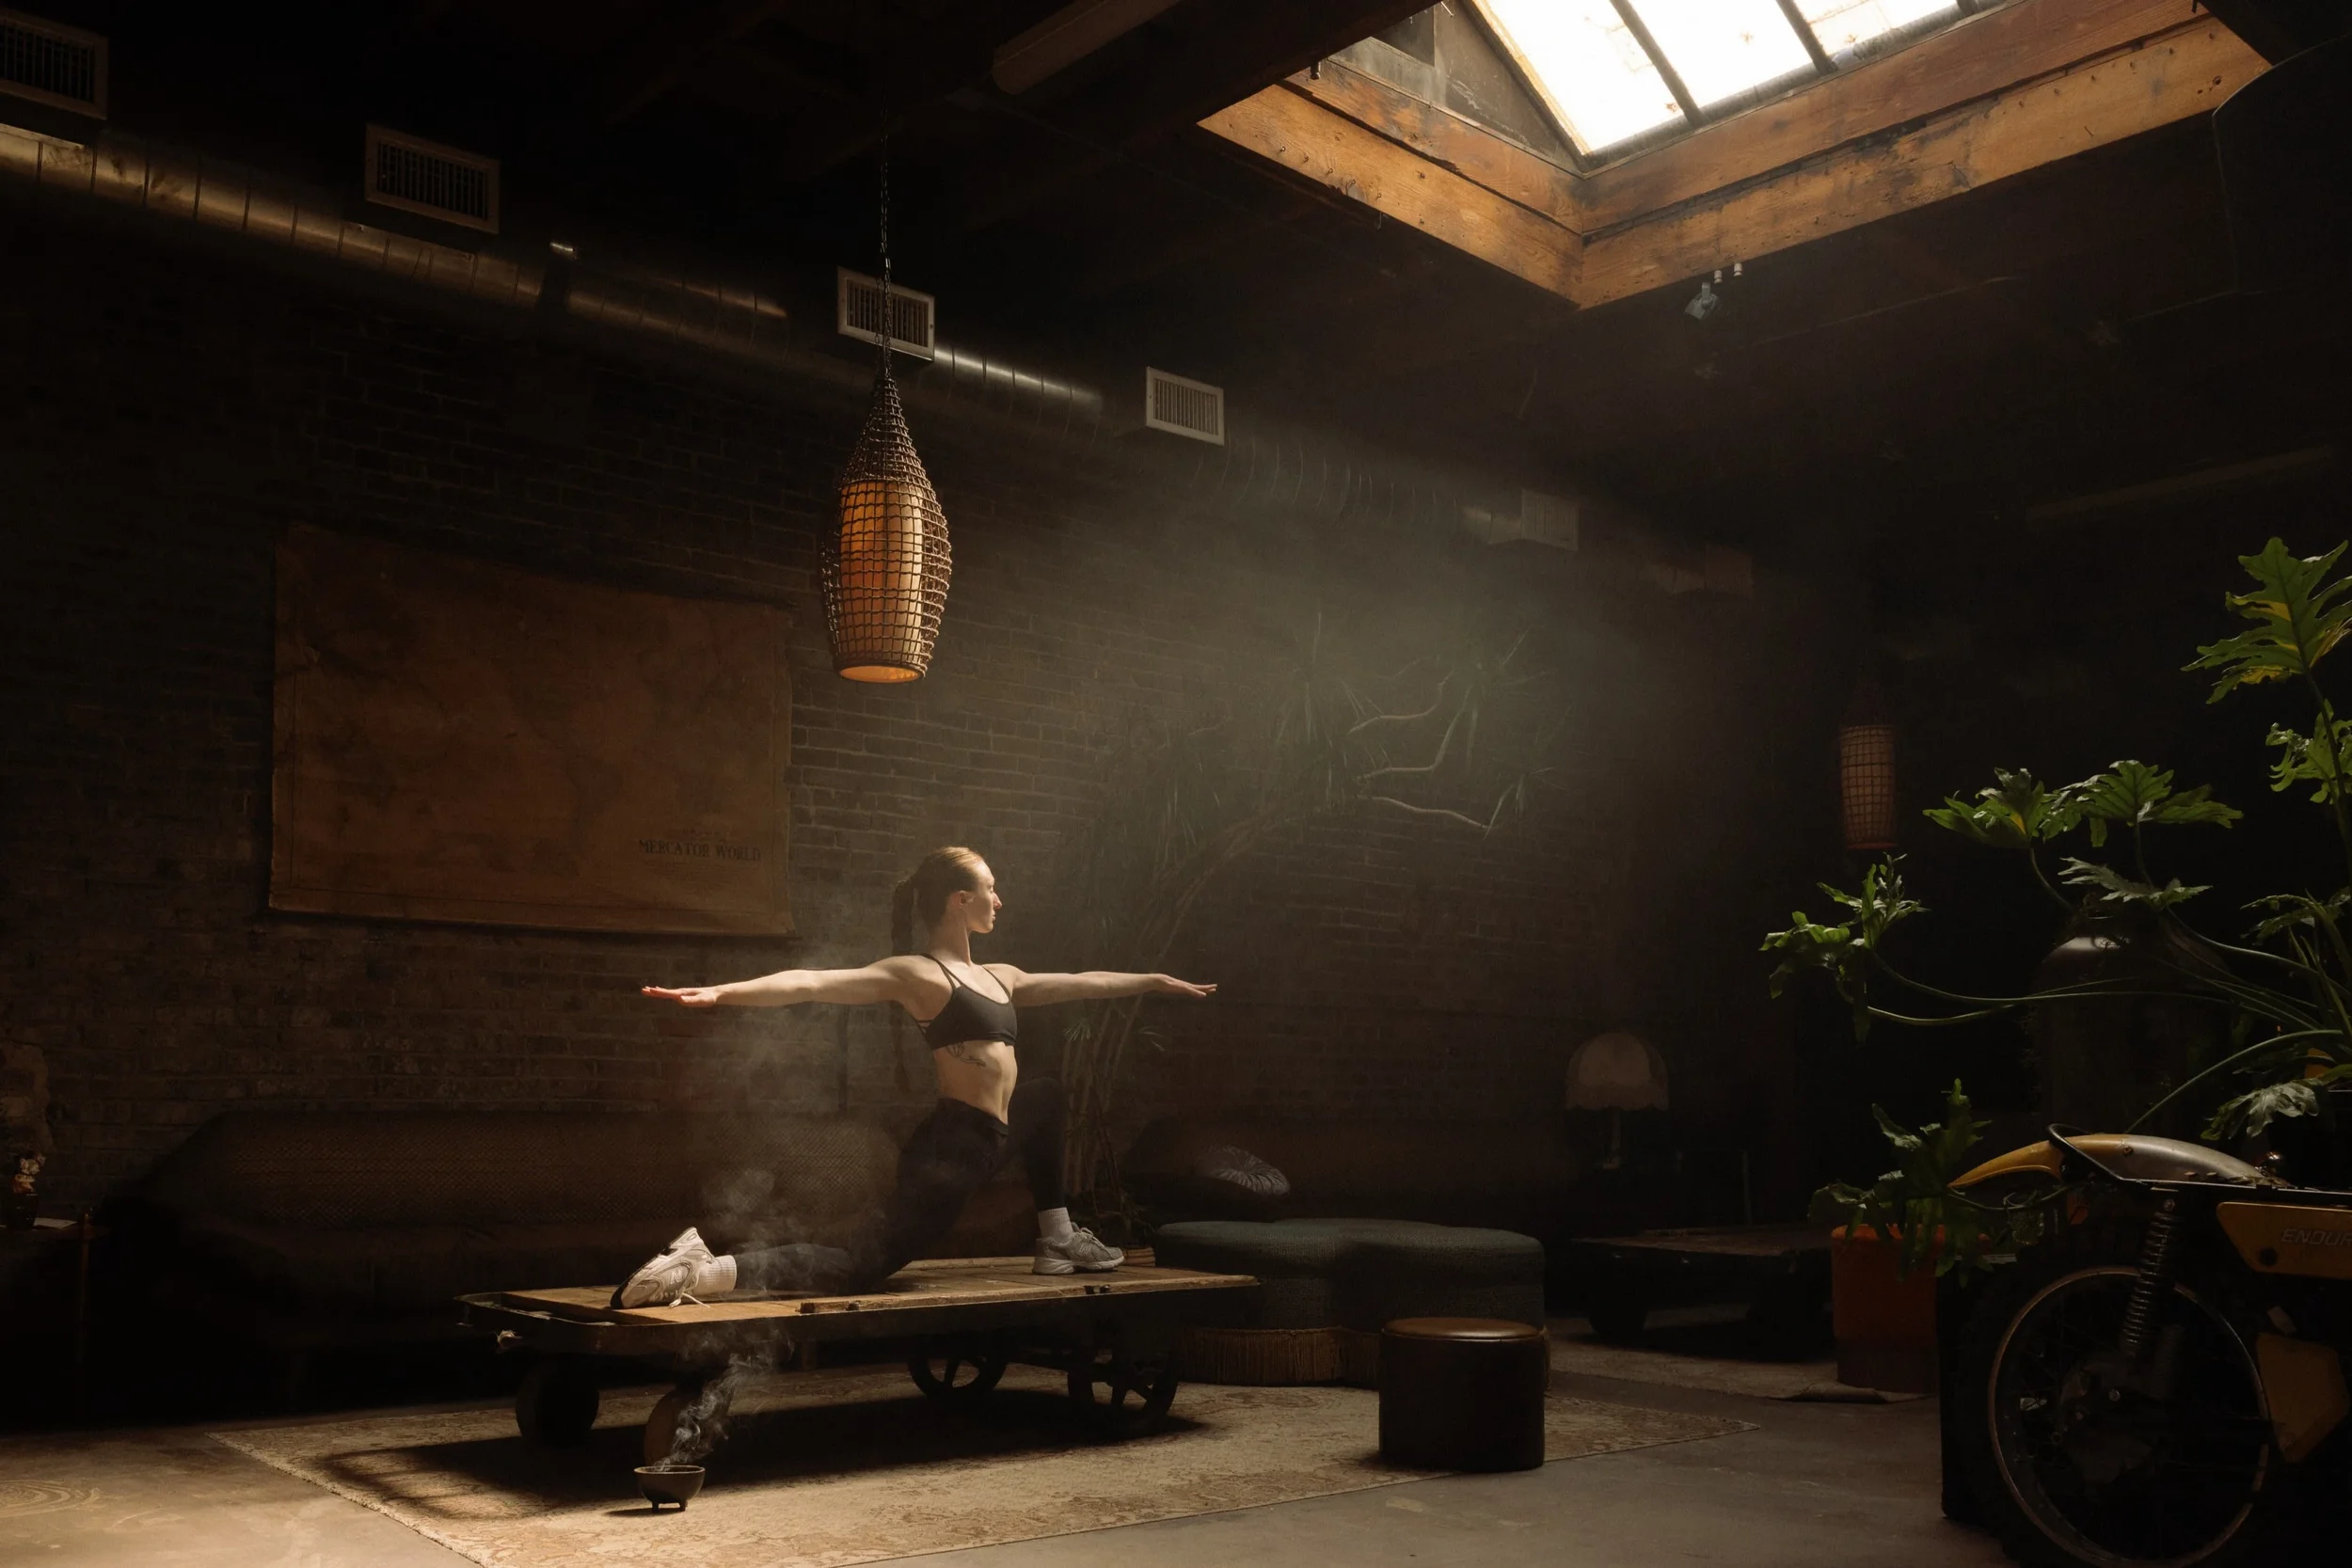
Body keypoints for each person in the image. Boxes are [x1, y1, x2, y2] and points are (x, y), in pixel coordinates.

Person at [617, 846, 1215, 1307]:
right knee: (861, 1263)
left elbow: (1082, 981)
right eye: (990, 889)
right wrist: (720, 992)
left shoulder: (1000, 976)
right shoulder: (919, 975)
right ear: (959, 899)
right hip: (952, 1150)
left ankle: (1056, 1235)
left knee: (1049, 1095)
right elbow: (812, 981)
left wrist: (1153, 981)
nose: (999, 900)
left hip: (991, 1140)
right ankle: (702, 1269)